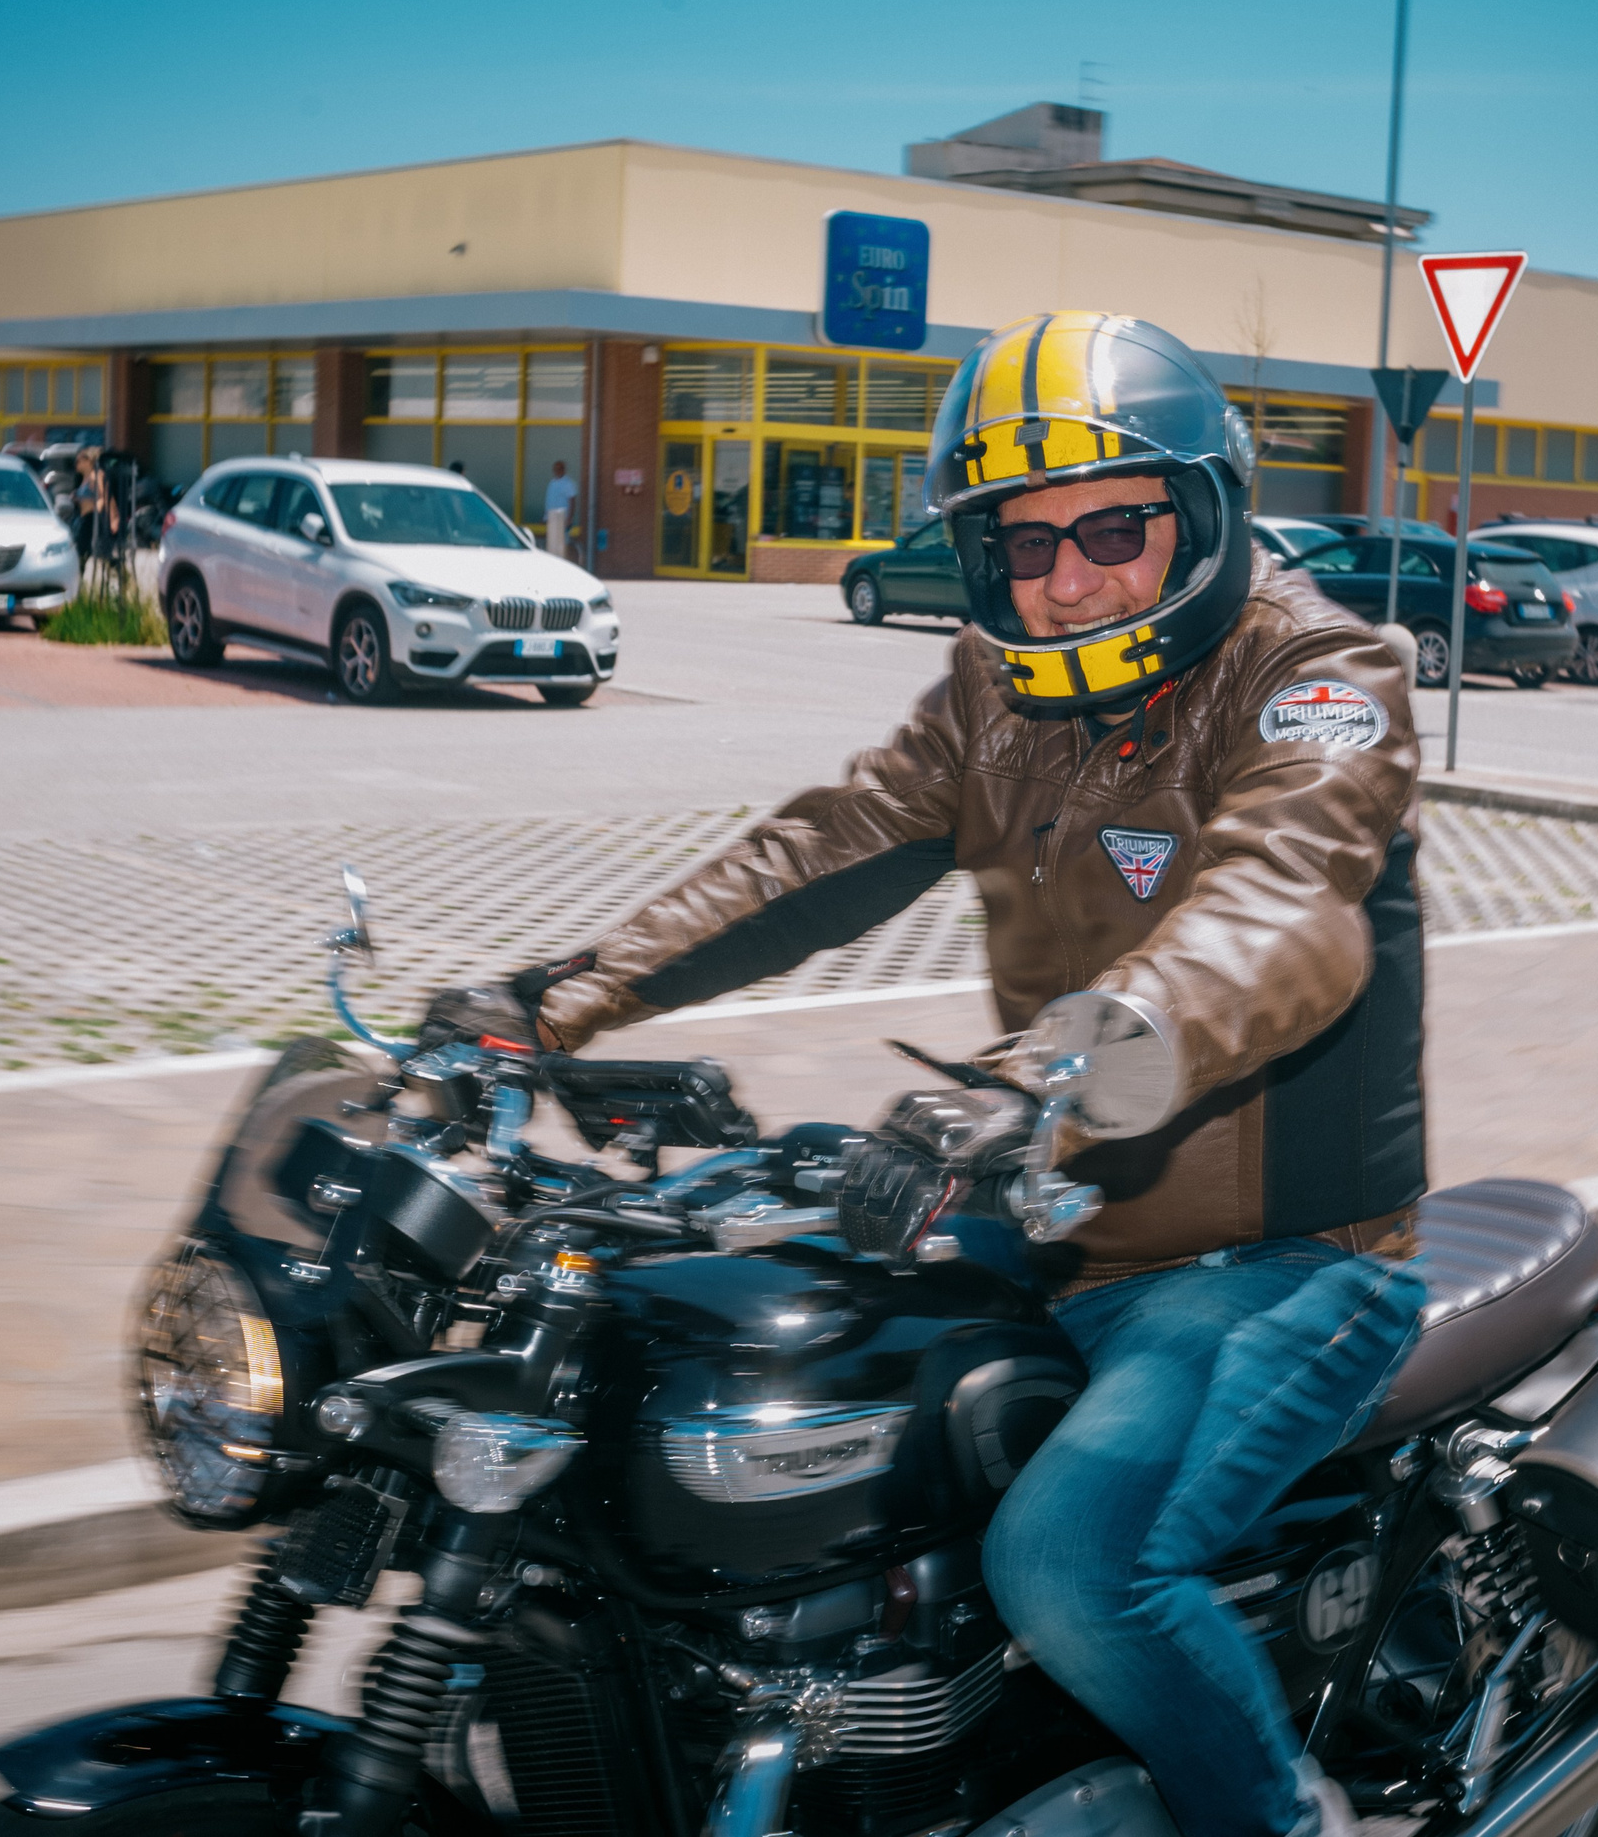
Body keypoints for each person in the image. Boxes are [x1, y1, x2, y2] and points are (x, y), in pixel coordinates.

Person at [488, 313, 1427, 1837]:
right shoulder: (999, 693)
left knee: (1074, 1563)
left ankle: (1280, 1818)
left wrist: (1045, 1068)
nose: (1067, 579)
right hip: (1046, 1217)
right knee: (718, 1356)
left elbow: (1280, 915)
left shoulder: (1318, 672)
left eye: (1114, 527)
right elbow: (822, 850)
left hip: (1282, 1263)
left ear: (1203, 512)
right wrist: (553, 1002)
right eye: (1023, 545)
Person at [542, 459, 578, 560]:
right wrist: (544, 516)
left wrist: (570, 518)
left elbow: (572, 501)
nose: (557, 471)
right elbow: (549, 500)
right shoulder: (552, 482)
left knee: (564, 543)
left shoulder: (568, 483)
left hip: (563, 518)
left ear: (564, 470)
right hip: (551, 518)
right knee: (551, 542)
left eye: (559, 469)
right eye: (555, 469)